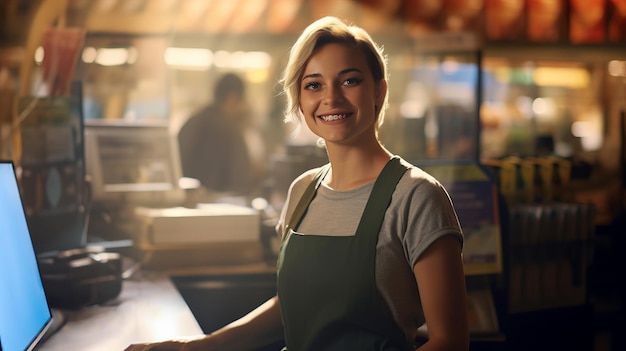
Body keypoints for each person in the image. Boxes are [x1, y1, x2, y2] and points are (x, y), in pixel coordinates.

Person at [126, 16, 469, 351]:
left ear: (379, 90)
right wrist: (203, 345)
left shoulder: (416, 196)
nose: (330, 97)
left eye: (349, 80)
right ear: (300, 101)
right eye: (314, 85)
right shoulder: (302, 191)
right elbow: (292, 307)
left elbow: (450, 341)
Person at [178, 72, 262, 196]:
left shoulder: (191, 122)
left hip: (188, 204)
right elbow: (241, 182)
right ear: (232, 98)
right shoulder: (231, 131)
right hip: (224, 208)